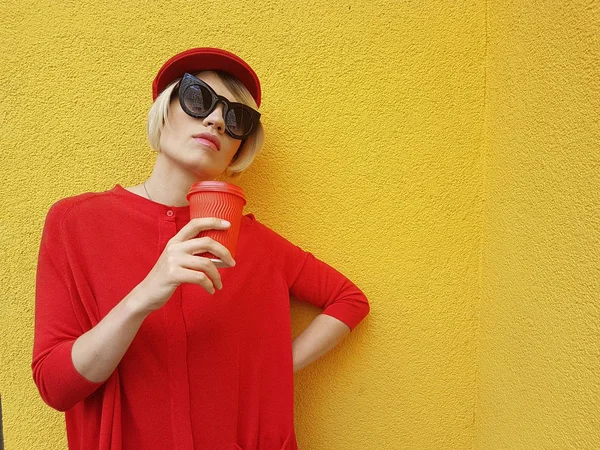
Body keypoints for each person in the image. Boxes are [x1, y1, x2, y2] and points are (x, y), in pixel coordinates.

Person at [31, 47, 370, 450]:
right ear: (164, 109)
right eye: (197, 99)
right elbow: (56, 387)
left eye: (236, 118)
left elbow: (349, 300)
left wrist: (274, 372)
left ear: (240, 149)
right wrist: (143, 297)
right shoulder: (76, 223)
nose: (215, 121)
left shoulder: (256, 244)